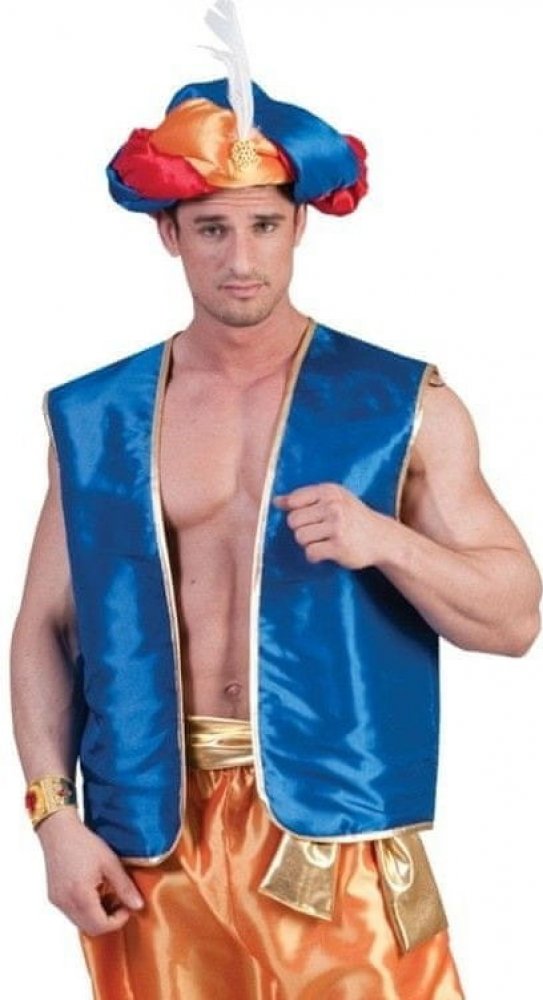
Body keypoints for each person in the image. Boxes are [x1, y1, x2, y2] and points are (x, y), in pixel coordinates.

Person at [10, 2, 542, 998]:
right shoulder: (96, 416)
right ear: (169, 234)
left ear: (299, 224)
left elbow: (515, 619)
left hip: (333, 842)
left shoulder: (400, 403)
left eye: (263, 225)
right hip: (147, 843)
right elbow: (43, 626)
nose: (242, 259)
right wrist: (53, 818)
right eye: (213, 229)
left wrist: (387, 540)